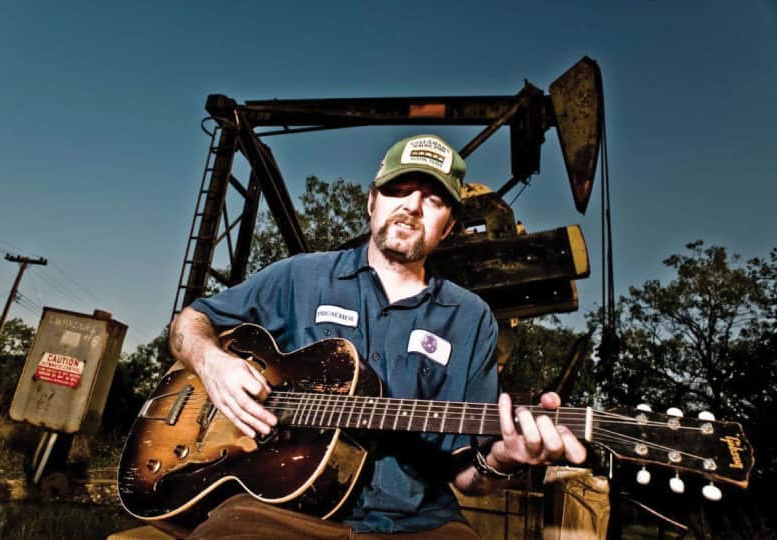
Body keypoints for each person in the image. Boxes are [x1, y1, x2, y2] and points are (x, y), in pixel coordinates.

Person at [169, 134, 587, 539]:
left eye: (433, 200)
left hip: (419, 524)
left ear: (449, 227)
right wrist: (212, 362)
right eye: (397, 190)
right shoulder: (302, 276)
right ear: (372, 201)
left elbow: (467, 476)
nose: (412, 206)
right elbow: (189, 323)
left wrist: (506, 459)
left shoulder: (471, 318)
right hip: (279, 510)